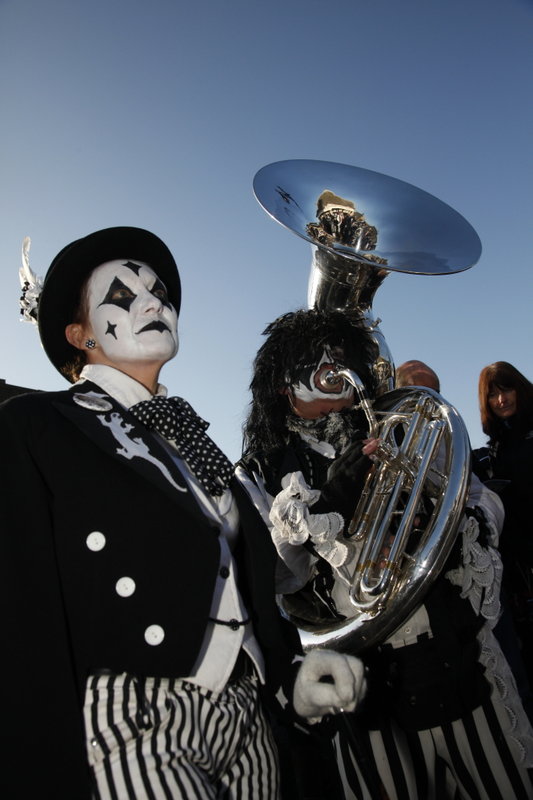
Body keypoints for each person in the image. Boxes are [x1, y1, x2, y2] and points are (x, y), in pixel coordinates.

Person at [1, 227, 367, 800]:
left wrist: (291, 678)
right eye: (121, 296)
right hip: (129, 718)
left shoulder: (196, 442)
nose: (154, 302)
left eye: (159, 292)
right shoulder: (34, 427)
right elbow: (20, 614)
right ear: (80, 334)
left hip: (250, 718)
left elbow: (245, 583)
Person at [237, 309, 533, 800]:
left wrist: (453, 520)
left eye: (340, 355)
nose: (335, 368)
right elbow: (274, 579)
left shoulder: (399, 423)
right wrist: (332, 501)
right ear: (283, 384)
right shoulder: (260, 472)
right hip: (364, 696)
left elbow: (481, 495)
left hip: (457, 661)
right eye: (318, 359)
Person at [474, 362, 533, 682]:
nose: (501, 400)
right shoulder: (490, 453)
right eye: (492, 394)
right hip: (517, 567)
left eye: (506, 389)